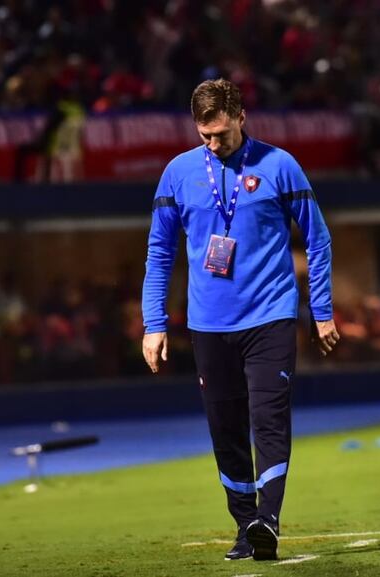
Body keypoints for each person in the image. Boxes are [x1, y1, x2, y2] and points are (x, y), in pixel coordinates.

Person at [141, 79, 339, 561]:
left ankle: (268, 520)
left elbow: (318, 239)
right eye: (205, 135)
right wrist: (153, 322)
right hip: (208, 324)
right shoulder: (178, 174)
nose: (213, 143)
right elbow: (160, 250)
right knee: (225, 427)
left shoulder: (280, 166)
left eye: (222, 134)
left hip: (270, 317)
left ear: (241, 117)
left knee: (268, 419)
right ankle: (244, 523)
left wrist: (323, 311)